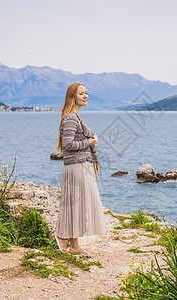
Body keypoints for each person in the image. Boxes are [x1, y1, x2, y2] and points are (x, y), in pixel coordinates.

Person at [54, 82, 105, 256]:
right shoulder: (70, 118)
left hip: (81, 165)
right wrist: (89, 142)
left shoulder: (75, 117)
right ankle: (62, 236)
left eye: (86, 93)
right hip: (76, 167)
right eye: (81, 93)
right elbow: (67, 145)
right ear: (72, 97)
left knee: (77, 205)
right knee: (73, 205)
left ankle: (74, 245)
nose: (85, 96)